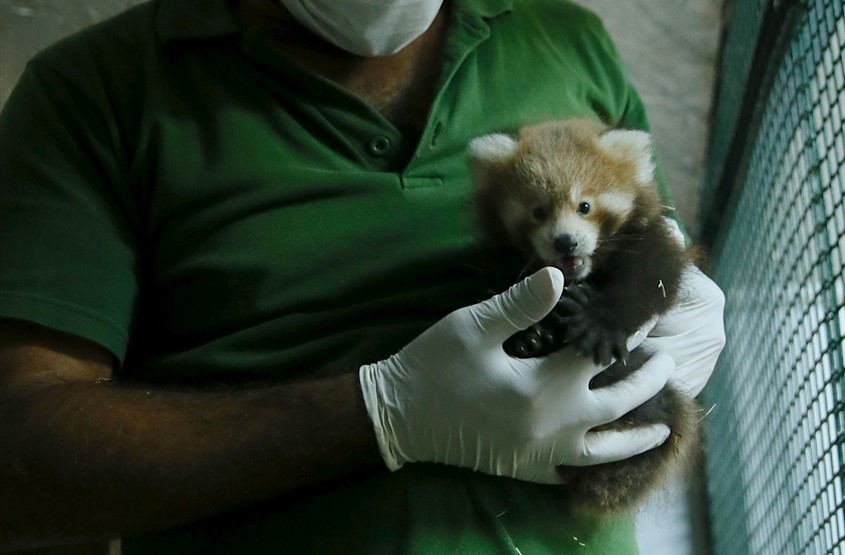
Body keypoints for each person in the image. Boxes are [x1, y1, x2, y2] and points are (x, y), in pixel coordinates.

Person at [0, 0, 726, 553]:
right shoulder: (91, 93)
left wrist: (670, 295)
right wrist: (378, 413)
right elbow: (19, 466)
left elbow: (646, 239)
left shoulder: (567, 36)